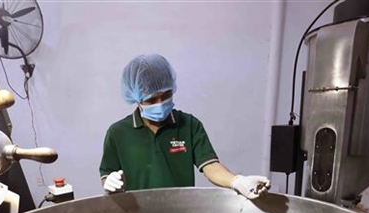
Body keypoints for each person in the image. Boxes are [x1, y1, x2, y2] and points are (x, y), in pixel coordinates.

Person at [99, 54, 270, 200]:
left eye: (166, 95)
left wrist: (236, 181)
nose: (160, 104)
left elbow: (210, 166)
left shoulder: (189, 125)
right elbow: (107, 173)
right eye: (151, 100)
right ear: (136, 99)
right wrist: (110, 183)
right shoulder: (118, 133)